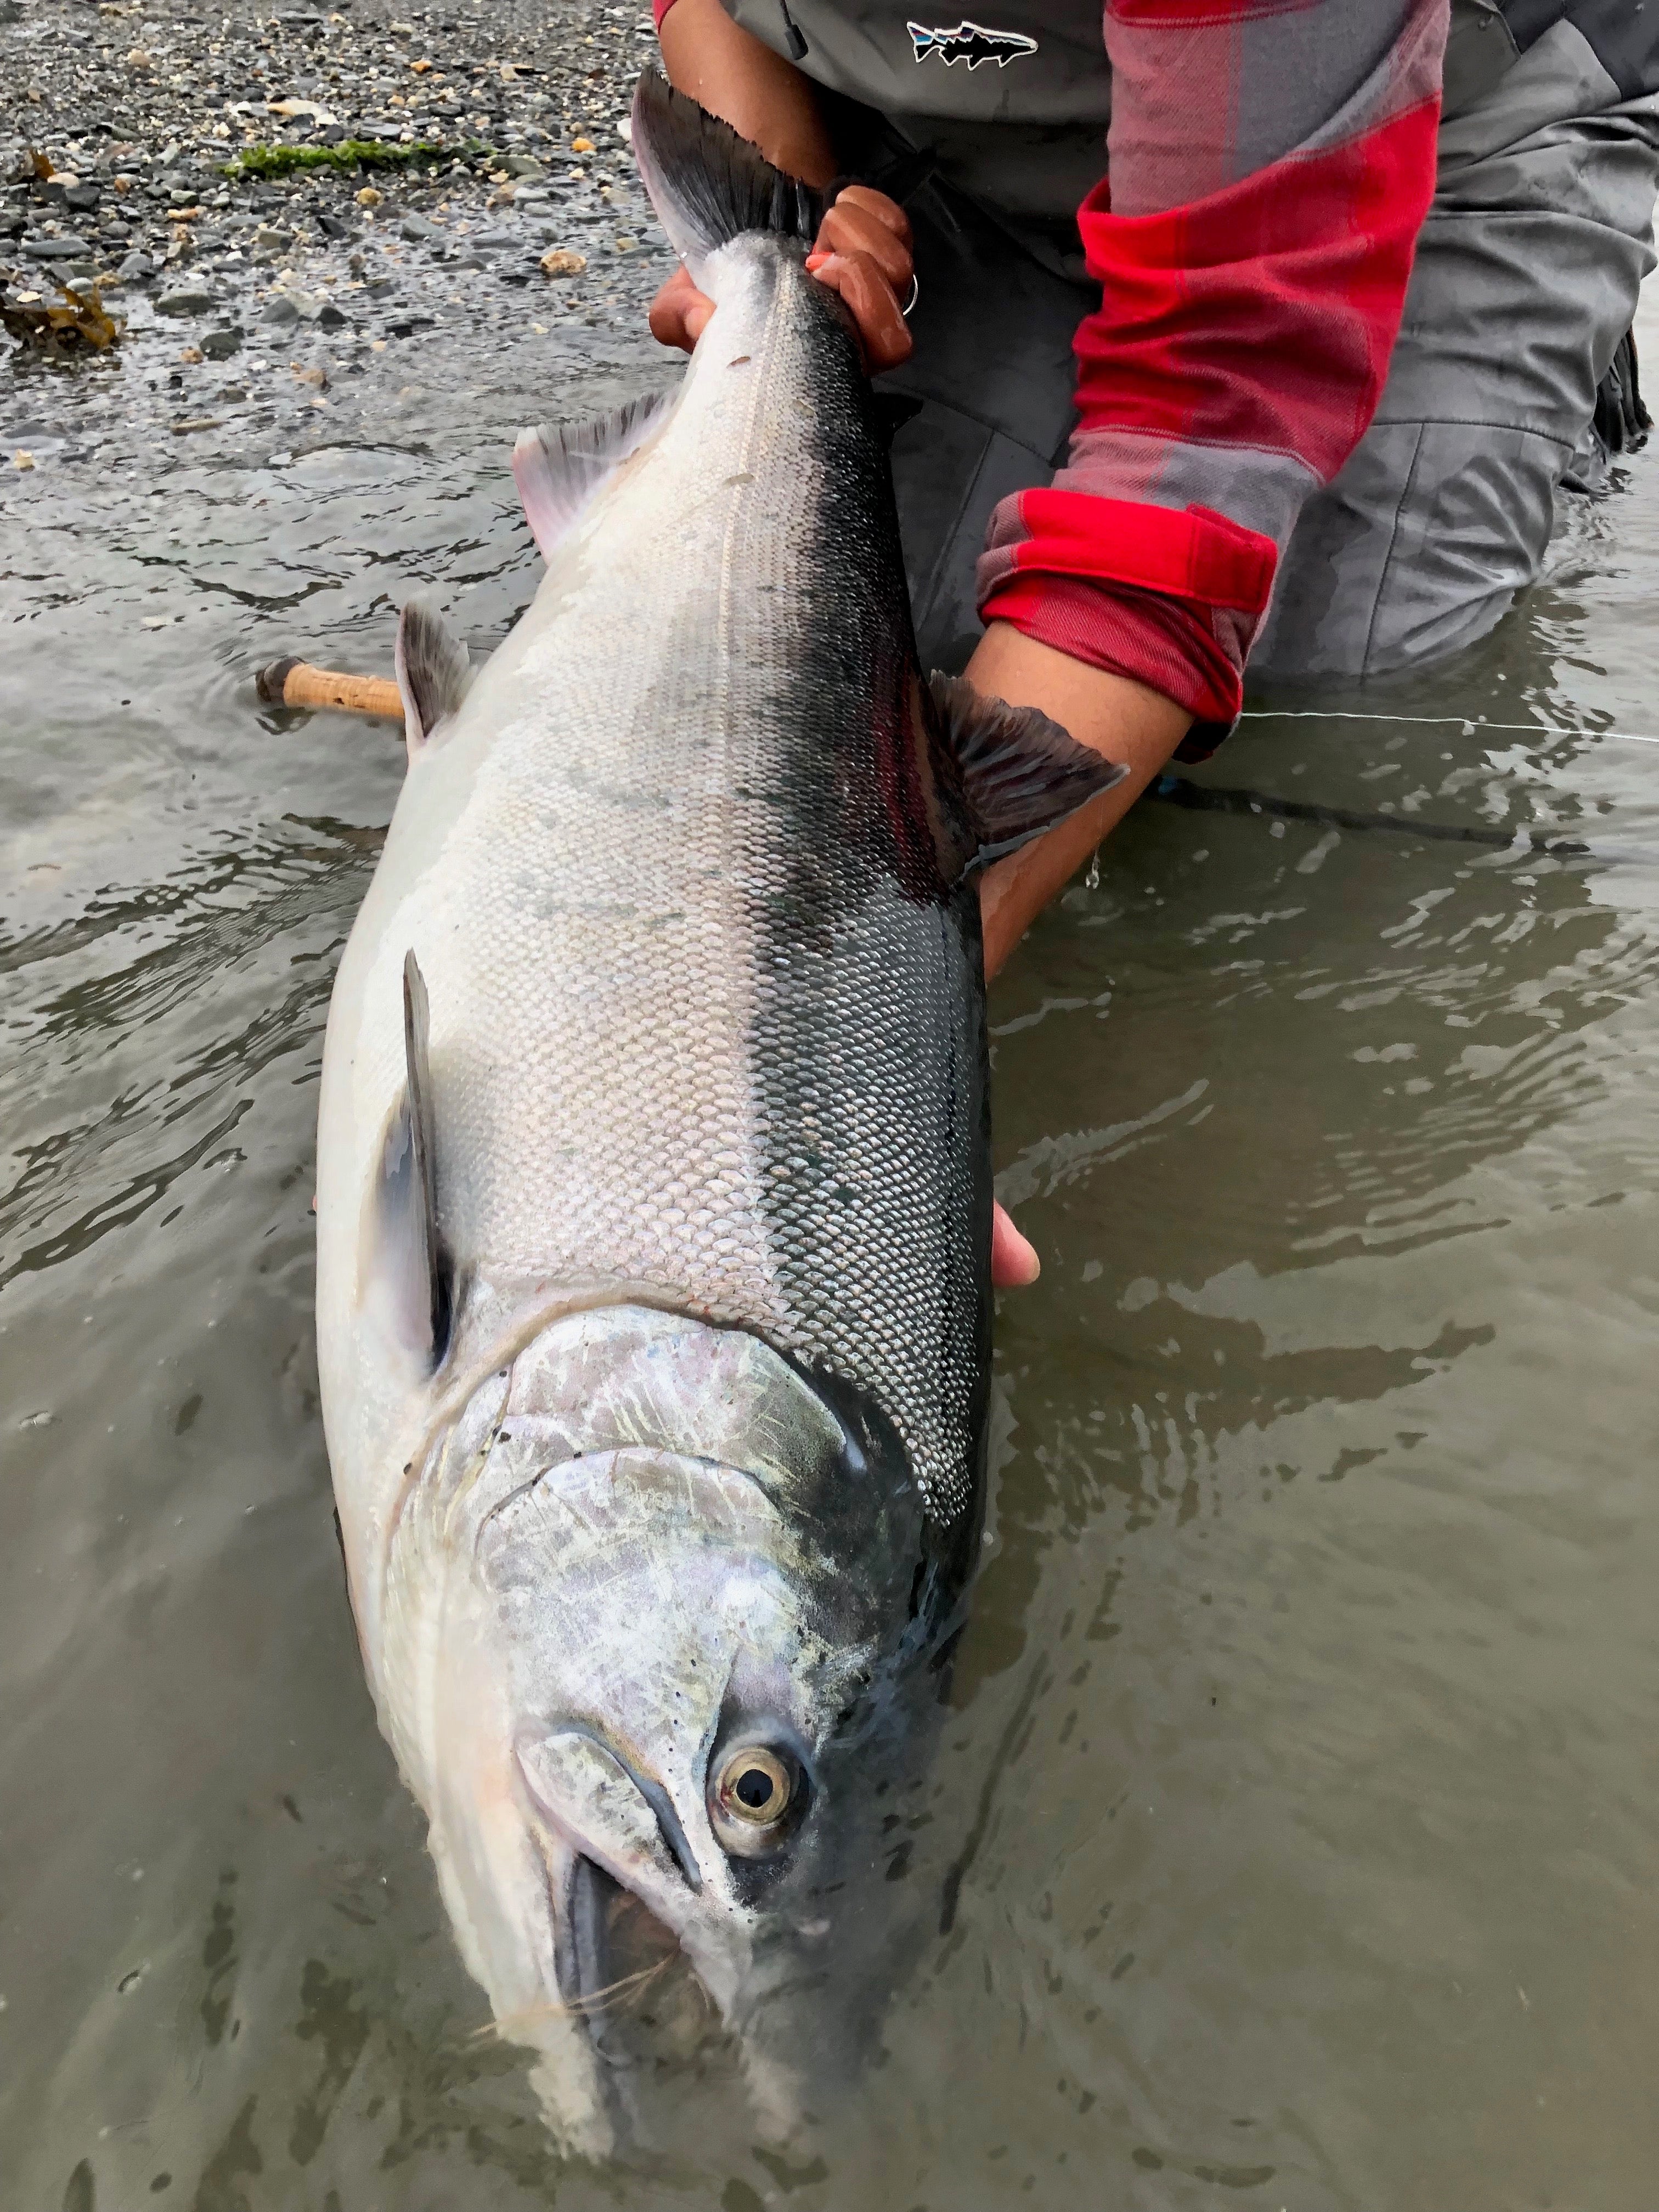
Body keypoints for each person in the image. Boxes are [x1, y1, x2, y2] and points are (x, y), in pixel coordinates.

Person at [646, 0, 1659, 1281]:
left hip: (1456, 118)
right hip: (979, 120)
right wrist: (791, 224)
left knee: (1322, 698)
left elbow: (1210, 402)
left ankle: (1527, 354)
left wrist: (858, 1039)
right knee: (899, 637)